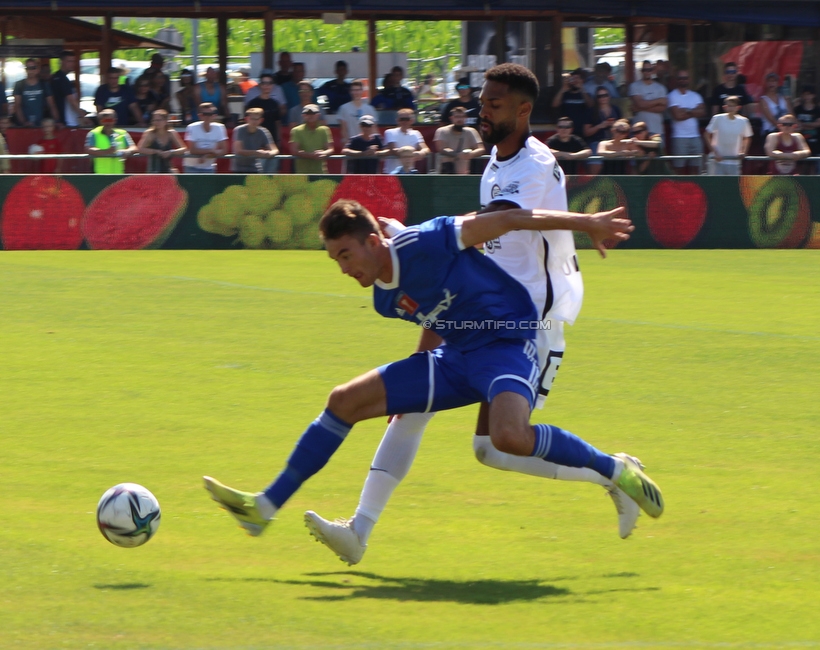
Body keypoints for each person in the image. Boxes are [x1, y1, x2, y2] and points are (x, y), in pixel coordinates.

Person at [305, 64, 642, 567]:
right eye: (483, 102)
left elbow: (494, 223)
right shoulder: (494, 161)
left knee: (497, 448)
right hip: (478, 308)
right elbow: (486, 242)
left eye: (494, 104)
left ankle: (613, 472)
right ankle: (358, 531)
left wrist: (409, 235)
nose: (482, 111)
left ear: (524, 110)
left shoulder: (534, 164)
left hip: (529, 321)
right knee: (412, 408)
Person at [202, 200, 663, 557]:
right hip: (456, 357)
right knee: (344, 400)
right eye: (334, 260)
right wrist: (414, 389)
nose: (343, 268)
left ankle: (614, 470)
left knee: (507, 438)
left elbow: (508, 220)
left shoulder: (428, 240)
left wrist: (589, 224)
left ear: (372, 241)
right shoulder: (383, 298)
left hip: (507, 341)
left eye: (345, 254)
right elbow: (435, 314)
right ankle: (265, 508)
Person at [245, 74, 286, 172]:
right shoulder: (253, 103)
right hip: (257, 145)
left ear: (272, 86)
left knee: (272, 173)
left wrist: (279, 140)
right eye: (264, 83)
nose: (266, 86)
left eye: (269, 83)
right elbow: (247, 123)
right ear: (260, 85)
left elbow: (277, 123)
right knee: (258, 174)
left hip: (272, 144)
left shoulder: (275, 103)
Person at [667, 70, 706, 175]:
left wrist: (686, 110)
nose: (683, 80)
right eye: (680, 78)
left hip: (695, 137)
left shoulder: (695, 96)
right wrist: (694, 111)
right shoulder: (672, 95)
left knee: (696, 168)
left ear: (689, 79)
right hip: (679, 137)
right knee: (678, 169)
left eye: (685, 78)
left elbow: (702, 112)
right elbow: (677, 116)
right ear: (676, 80)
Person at [705, 95, 753, 176]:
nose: (730, 108)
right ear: (725, 107)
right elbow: (706, 135)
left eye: (733, 106)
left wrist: (743, 152)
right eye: (728, 106)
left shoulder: (744, 121)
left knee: (733, 187)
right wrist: (715, 152)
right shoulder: (717, 118)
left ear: (738, 107)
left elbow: (747, 138)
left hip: (734, 161)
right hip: (717, 160)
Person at [433, 106, 484, 174]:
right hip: (447, 170)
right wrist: (457, 155)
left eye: (462, 117)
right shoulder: (442, 131)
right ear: (451, 118)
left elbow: (481, 149)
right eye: (457, 117)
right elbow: (441, 148)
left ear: (466, 118)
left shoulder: (471, 131)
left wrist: (471, 154)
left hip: (467, 170)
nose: (459, 119)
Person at [583, 88, 622, 173]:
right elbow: (586, 132)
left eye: (605, 95)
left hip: (614, 142)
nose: (603, 98)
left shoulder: (616, 109)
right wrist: (600, 126)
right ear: (596, 98)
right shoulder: (591, 111)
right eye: (600, 96)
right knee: (596, 163)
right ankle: (592, 185)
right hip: (596, 142)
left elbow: (625, 127)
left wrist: (616, 125)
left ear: (609, 96)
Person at [85, 109, 136, 174]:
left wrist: (127, 151)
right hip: (99, 174)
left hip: (118, 173)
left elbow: (134, 148)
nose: (108, 123)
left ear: (115, 120)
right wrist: (107, 151)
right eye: (105, 120)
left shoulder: (123, 133)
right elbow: (88, 149)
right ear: (101, 121)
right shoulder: (93, 133)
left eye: (110, 120)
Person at [137, 109, 187, 173]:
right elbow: (140, 149)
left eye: (159, 120)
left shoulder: (171, 133)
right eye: (154, 120)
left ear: (166, 121)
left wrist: (171, 152)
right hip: (154, 171)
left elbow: (183, 149)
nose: (156, 122)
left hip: (168, 170)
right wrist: (156, 151)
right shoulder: (150, 133)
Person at [183, 102, 228, 173]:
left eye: (210, 114)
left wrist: (207, 155)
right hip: (191, 167)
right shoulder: (192, 127)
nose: (207, 117)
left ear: (214, 115)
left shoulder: (220, 127)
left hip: (209, 167)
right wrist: (211, 151)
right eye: (204, 114)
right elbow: (192, 150)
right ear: (199, 116)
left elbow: (224, 150)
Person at [14, 58, 59, 127]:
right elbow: (17, 106)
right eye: (28, 68)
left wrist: (57, 121)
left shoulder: (44, 84)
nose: (31, 70)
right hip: (25, 126)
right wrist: (24, 123)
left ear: (38, 70)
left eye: (33, 68)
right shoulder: (19, 85)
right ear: (25, 70)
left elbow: (51, 105)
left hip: (43, 125)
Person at [289, 104, 333, 174]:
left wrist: (323, 153)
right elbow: (294, 150)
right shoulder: (296, 130)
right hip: (302, 173)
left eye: (313, 113)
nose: (310, 116)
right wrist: (310, 155)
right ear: (303, 115)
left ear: (318, 115)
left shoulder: (325, 130)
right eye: (307, 113)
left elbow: (330, 149)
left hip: (321, 171)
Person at [381, 108, 428, 174]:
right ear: (397, 120)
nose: (404, 122)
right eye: (402, 119)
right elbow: (393, 149)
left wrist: (422, 152)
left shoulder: (416, 133)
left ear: (412, 121)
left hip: (409, 173)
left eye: (407, 119)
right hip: (392, 173)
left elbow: (425, 148)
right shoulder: (389, 132)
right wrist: (412, 153)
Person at [629, 61, 668, 139]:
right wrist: (659, 100)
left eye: (649, 70)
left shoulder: (660, 88)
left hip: (656, 131)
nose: (647, 72)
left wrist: (640, 108)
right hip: (638, 131)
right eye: (644, 70)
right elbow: (640, 104)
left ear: (653, 71)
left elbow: (662, 108)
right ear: (641, 71)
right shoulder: (634, 86)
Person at [232, 107, 278, 173]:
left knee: (273, 160)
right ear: (246, 119)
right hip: (238, 169)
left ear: (261, 120)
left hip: (255, 169)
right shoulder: (239, 130)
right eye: (252, 119)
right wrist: (256, 152)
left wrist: (268, 154)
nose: (254, 121)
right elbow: (238, 151)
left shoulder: (263, 131)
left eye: (257, 119)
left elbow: (275, 150)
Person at [550, 69, 592, 140]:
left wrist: (582, 89)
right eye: (573, 78)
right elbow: (554, 105)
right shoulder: (565, 94)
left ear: (582, 80)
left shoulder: (585, 94)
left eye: (577, 78)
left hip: (581, 131)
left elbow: (590, 105)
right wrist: (563, 89)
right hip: (566, 130)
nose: (575, 81)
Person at [50, 51, 87, 127]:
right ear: (62, 62)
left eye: (73, 61)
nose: (72, 64)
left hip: (65, 120)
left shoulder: (58, 77)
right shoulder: (62, 79)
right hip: (66, 122)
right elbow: (72, 101)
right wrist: (82, 115)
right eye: (69, 61)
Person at [793, 85, 820, 157]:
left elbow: (819, 123)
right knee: (801, 163)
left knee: (813, 163)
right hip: (801, 140)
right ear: (802, 96)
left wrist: (803, 124)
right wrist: (810, 125)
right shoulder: (797, 109)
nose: (807, 97)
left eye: (809, 94)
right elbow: (795, 123)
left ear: (813, 95)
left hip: (816, 140)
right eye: (805, 94)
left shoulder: (818, 109)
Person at [758, 72, 789, 138]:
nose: (771, 83)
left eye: (774, 81)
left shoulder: (784, 98)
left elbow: (791, 114)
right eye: (769, 81)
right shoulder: (763, 100)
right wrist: (784, 129)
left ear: (778, 83)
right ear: (766, 83)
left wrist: (798, 126)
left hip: (786, 131)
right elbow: (771, 119)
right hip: (770, 132)